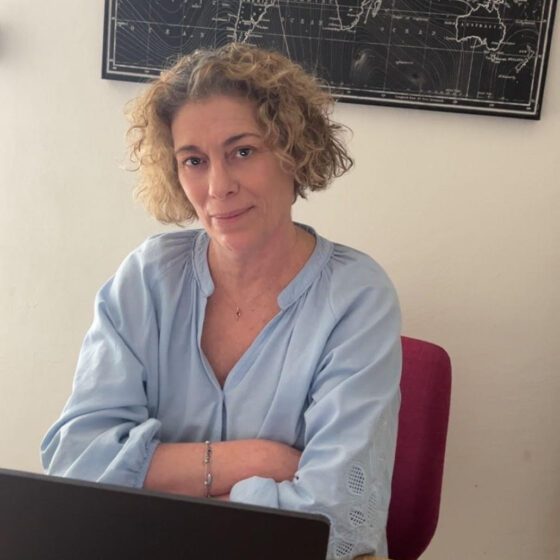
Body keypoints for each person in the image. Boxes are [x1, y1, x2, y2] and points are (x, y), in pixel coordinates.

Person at [41, 43, 401, 559]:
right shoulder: (148, 277)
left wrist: (162, 486)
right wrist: (262, 461)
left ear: (293, 150)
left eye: (243, 151)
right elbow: (75, 462)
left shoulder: (357, 296)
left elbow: (334, 518)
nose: (218, 187)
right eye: (194, 160)